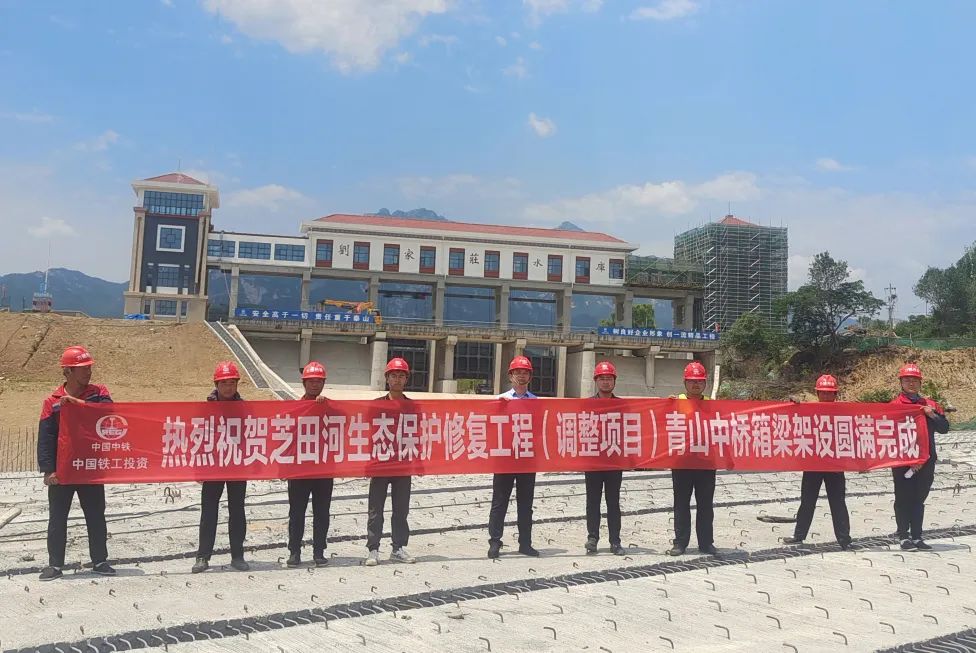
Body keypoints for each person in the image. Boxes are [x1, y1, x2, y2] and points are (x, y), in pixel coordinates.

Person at [37, 346, 115, 581]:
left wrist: (78, 404)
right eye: (83, 368)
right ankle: (55, 565)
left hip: (91, 467)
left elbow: (109, 413)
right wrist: (48, 470)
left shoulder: (99, 393)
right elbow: (46, 437)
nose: (88, 372)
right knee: (58, 517)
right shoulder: (52, 402)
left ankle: (100, 560)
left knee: (96, 515)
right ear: (68, 371)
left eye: (89, 367)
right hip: (64, 470)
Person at [782, 374, 853, 550]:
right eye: (823, 392)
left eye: (830, 393)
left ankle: (844, 539)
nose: (826, 396)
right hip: (813, 463)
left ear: (835, 394)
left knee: (838, 502)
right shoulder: (809, 410)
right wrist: (793, 405)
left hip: (835, 465)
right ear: (817, 393)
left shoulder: (843, 413)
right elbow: (793, 419)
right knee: (807, 501)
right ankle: (799, 535)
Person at [192, 361, 250, 573]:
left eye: (232, 383)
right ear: (216, 384)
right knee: (209, 511)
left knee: (237, 510)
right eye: (224, 383)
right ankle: (203, 556)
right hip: (213, 466)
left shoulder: (244, 408)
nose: (228, 387)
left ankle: (238, 555)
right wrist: (198, 467)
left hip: (236, 465)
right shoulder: (206, 409)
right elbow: (197, 437)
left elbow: (253, 435)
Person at [890, 363, 949, 551]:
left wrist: (932, 415)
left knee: (919, 498)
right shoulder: (894, 406)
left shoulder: (931, 405)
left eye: (915, 380)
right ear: (901, 383)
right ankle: (903, 536)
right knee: (903, 498)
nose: (911, 383)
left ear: (920, 383)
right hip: (903, 462)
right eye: (907, 380)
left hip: (926, 461)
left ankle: (917, 536)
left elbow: (944, 428)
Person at [487, 355, 539, 559]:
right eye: (517, 372)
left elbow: (541, 430)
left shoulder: (536, 402)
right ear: (510, 376)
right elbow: (490, 427)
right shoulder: (501, 400)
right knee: (499, 502)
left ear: (530, 377)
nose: (521, 376)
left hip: (527, 458)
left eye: (525, 373)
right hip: (504, 459)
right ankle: (494, 542)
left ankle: (525, 543)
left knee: (526, 504)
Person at [365, 357, 415, 566]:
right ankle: (373, 549)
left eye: (401, 376)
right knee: (376, 509)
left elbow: (418, 435)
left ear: (406, 379)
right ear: (387, 378)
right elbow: (369, 434)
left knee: (401, 509)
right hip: (381, 463)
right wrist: (368, 463)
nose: (397, 379)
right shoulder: (376, 405)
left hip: (403, 464)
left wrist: (419, 463)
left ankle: (398, 547)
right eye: (393, 375)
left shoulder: (412, 406)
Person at [668, 361, 718, 556]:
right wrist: (666, 406)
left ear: (705, 383)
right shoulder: (676, 402)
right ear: (685, 383)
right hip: (682, 462)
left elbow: (722, 432)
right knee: (681, 504)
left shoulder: (712, 405)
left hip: (706, 463)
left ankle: (706, 543)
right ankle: (680, 543)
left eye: (699, 381)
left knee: (705, 505)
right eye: (692, 381)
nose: (696, 384)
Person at [286, 361, 333, 568]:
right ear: (304, 383)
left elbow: (344, 427)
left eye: (319, 381)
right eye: (311, 381)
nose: (315, 384)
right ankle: (294, 551)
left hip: (324, 469)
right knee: (297, 513)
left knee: (322, 512)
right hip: (299, 470)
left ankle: (319, 551)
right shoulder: (295, 408)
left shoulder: (331, 408)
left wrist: (327, 407)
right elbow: (285, 438)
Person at [584, 361, 625, 556]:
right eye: (602, 378)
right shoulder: (587, 405)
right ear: (596, 381)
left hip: (614, 461)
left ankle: (615, 541)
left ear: (614, 381)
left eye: (609, 378)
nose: (606, 382)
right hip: (593, 461)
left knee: (613, 502)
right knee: (592, 501)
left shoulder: (622, 405)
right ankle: (592, 538)